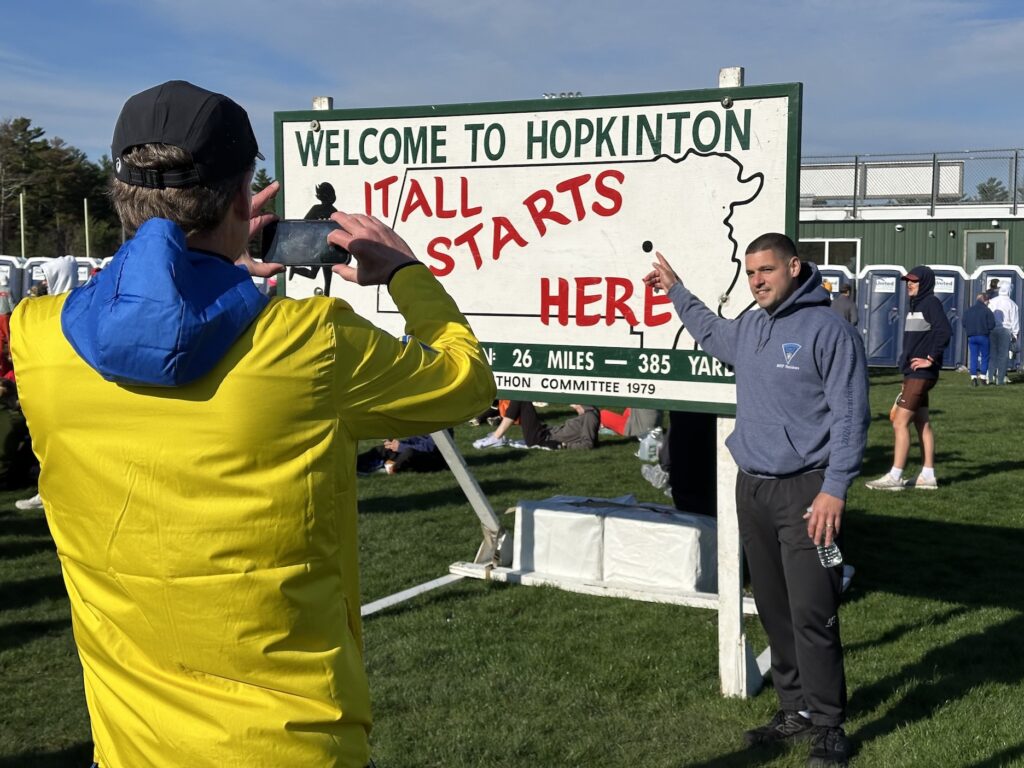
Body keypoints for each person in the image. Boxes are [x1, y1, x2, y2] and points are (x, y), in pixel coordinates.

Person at [10, 80, 494, 768]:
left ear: (119, 194)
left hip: (131, 749)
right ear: (242, 198)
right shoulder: (313, 341)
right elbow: (465, 381)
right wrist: (405, 272)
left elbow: (147, 324)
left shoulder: (36, 340)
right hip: (293, 745)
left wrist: (217, 267)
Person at [645, 232, 869, 768]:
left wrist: (835, 489)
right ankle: (793, 710)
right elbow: (713, 335)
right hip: (754, 486)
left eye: (765, 270)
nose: (757, 281)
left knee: (813, 610)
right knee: (772, 607)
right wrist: (678, 292)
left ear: (795, 266)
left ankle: (829, 725)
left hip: (808, 491)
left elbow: (851, 418)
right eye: (750, 273)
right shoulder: (752, 326)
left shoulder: (829, 330)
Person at [866, 266, 951, 491]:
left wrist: (930, 358)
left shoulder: (930, 303)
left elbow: (945, 331)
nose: (909, 284)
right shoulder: (915, 305)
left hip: (921, 373)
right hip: (914, 375)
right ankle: (928, 475)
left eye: (914, 281)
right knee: (922, 422)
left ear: (925, 283)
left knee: (899, 422)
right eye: (907, 281)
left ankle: (895, 477)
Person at [473, 401, 599, 450]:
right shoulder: (587, 414)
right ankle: (497, 435)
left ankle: (496, 436)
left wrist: (562, 446)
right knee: (520, 399)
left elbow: (587, 444)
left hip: (543, 439)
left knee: (521, 400)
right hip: (545, 432)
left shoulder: (590, 415)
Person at [356, 433, 446, 475]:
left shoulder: (442, 423)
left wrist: (400, 447)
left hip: (434, 459)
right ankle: (353, 466)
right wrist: (395, 444)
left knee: (408, 453)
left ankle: (387, 469)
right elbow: (414, 441)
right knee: (383, 449)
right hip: (416, 451)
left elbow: (430, 447)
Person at [987, 282, 1019, 386]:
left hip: (992, 330)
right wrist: (1015, 334)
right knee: (1003, 356)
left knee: (992, 355)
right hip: (1005, 330)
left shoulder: (992, 301)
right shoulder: (1012, 304)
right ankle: (1000, 380)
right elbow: (1015, 321)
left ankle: (989, 377)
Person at [963, 292, 995, 386]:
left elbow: (964, 323)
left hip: (971, 336)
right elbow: (992, 325)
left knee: (973, 357)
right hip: (983, 336)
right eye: (988, 301)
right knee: (985, 356)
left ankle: (973, 377)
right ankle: (983, 377)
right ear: (985, 300)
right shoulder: (987, 310)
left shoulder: (969, 310)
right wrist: (987, 329)